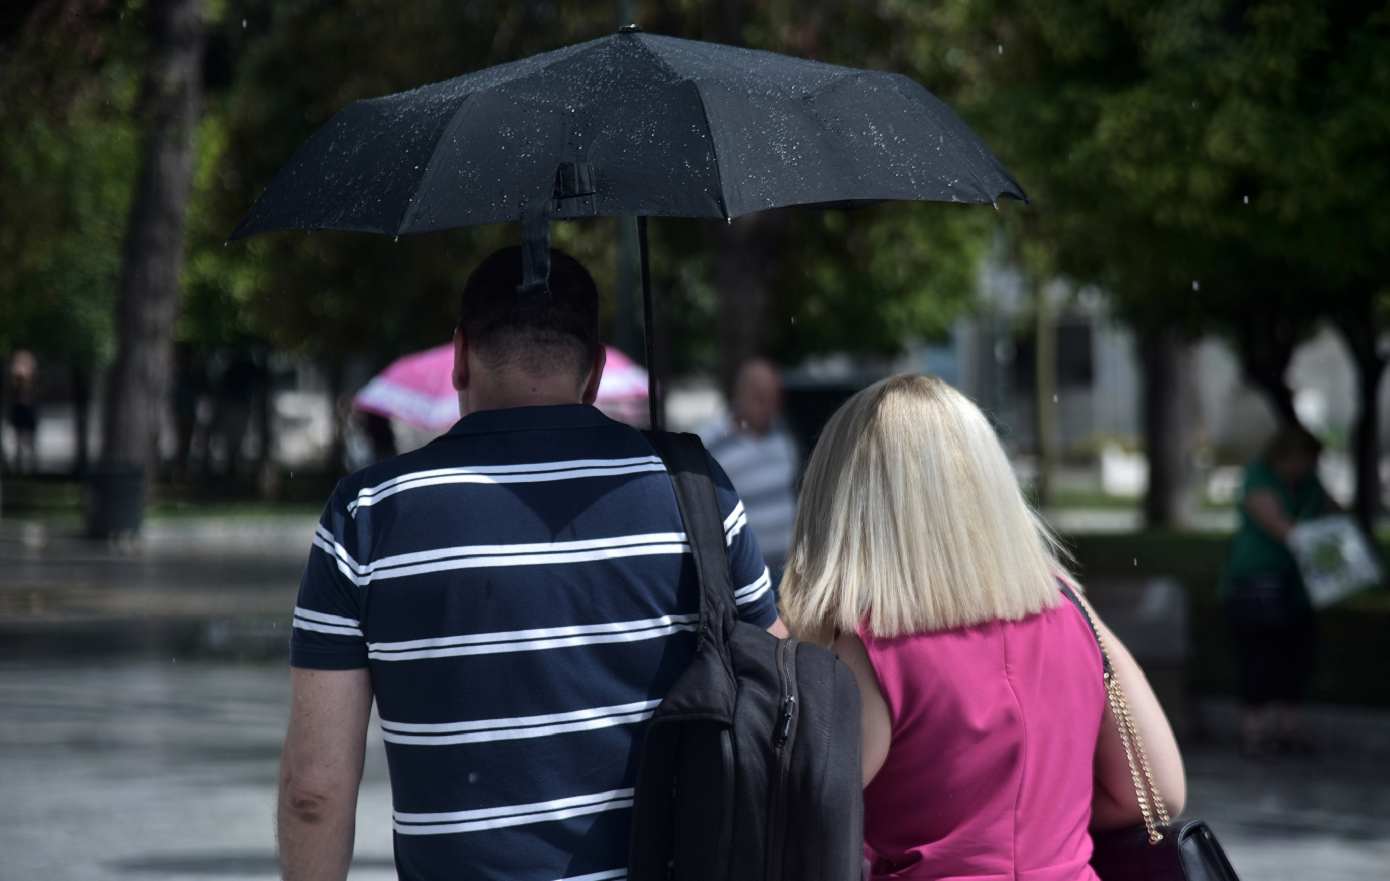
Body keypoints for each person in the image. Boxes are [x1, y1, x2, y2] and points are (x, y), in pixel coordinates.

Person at [277, 246, 785, 881]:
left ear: (459, 357)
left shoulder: (367, 513)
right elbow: (774, 702)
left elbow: (314, 792)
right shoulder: (697, 490)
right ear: (596, 369)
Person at [780, 374, 1185, 881]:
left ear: (843, 502)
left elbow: (800, 822)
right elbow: (1157, 792)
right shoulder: (1071, 617)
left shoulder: (870, 651)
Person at [1220, 424, 1334, 758]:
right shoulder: (1259, 477)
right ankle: (1255, 733)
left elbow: (1332, 511)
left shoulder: (1310, 483)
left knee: (1297, 655)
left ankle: (1289, 729)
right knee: (1258, 656)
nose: (1306, 467)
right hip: (1258, 584)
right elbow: (1278, 524)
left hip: (1300, 586)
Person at [697, 358, 799, 586]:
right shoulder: (709, 443)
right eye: (760, 397)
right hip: (740, 578)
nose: (769, 406)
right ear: (737, 395)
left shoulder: (782, 432)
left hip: (787, 570)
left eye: (775, 397)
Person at [8, 350, 39, 473]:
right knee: (19, 438)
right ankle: (18, 465)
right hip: (19, 407)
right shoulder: (17, 376)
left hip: (29, 406)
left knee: (30, 438)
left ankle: (32, 464)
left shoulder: (33, 376)